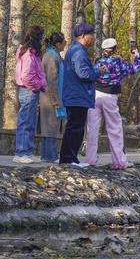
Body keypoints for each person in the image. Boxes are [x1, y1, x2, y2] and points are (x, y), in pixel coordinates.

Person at [86, 37, 140, 169]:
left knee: (92, 128)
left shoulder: (98, 62)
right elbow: (135, 69)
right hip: (110, 96)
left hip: (95, 95)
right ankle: (119, 161)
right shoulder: (119, 62)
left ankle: (90, 160)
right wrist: (136, 56)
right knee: (114, 128)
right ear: (115, 48)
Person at [59, 22, 102, 167]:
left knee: (76, 128)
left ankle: (71, 158)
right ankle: (67, 159)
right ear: (83, 36)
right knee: (74, 128)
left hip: (77, 95)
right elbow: (84, 73)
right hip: (77, 96)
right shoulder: (78, 52)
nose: (93, 38)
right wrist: (98, 71)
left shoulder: (76, 50)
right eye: (91, 35)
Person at [14, 25, 47, 164]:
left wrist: (41, 86)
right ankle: (21, 153)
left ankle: (27, 151)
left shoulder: (33, 53)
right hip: (28, 90)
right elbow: (27, 76)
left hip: (32, 91)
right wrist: (38, 85)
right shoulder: (28, 54)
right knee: (25, 122)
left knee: (31, 123)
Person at [40, 32, 67, 163]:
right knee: (50, 126)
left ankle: (47, 155)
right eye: (63, 42)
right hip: (50, 97)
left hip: (50, 95)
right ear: (58, 44)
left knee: (51, 126)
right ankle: (50, 155)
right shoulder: (51, 56)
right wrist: (56, 100)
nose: (65, 44)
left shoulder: (54, 55)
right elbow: (52, 79)